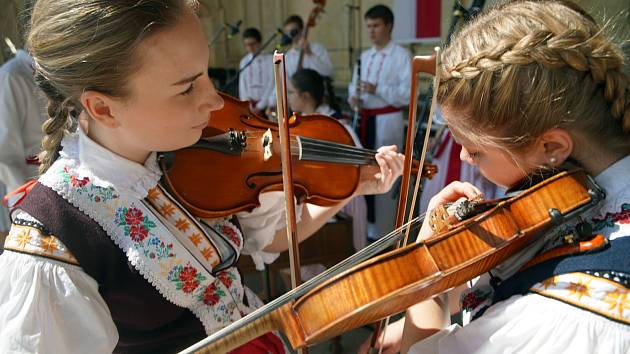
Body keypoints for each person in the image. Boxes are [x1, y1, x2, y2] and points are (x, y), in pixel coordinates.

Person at [0, 1, 404, 353]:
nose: (214, 100)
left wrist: (348, 188)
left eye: (206, 74)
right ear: (103, 108)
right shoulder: (54, 243)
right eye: (186, 89)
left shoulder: (185, 155)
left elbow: (274, 238)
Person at [359, 1, 630, 353]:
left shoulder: (563, 317)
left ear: (551, 145)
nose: (462, 157)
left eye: (475, 150)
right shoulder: (573, 188)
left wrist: (428, 275)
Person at [348, 4, 411, 240]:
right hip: (365, 119)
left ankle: (386, 231)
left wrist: (378, 88)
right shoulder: (364, 57)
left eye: (375, 26)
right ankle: (365, 229)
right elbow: (353, 88)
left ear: (389, 26)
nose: (371, 31)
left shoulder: (401, 55)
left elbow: (407, 94)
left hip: (387, 120)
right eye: (368, 27)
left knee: (386, 170)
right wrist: (353, 98)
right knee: (364, 170)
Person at [288, 68, 368, 251]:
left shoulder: (336, 127)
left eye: (291, 92)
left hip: (345, 204)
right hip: (323, 203)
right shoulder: (306, 123)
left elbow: (358, 166)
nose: (288, 97)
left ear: (306, 96)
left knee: (348, 265)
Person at [0, 49, 47, 245]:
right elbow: (5, 156)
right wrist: (26, 205)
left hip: (56, 188)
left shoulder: (49, 76)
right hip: (29, 196)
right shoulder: (12, 76)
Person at [238, 27, 274, 115]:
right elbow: (242, 85)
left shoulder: (270, 59)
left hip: (267, 105)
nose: (250, 47)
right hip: (249, 106)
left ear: (260, 42)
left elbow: (272, 84)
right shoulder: (244, 61)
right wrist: (246, 104)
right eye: (247, 45)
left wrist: (260, 106)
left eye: (252, 44)